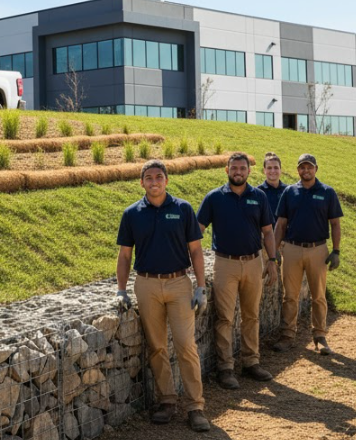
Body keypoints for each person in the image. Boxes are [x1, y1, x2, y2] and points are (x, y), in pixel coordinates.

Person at [114, 159, 210, 432]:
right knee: (156, 346)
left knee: (185, 345)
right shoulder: (132, 213)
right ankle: (167, 401)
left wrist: (200, 287)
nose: (154, 182)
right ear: (141, 182)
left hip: (179, 283)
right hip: (146, 285)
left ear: (166, 180)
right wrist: (121, 290)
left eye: (159, 177)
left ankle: (196, 407)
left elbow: (196, 251)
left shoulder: (182, 209)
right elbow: (124, 255)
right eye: (149, 178)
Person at [197, 152, 279, 390]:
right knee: (225, 318)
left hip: (254, 262)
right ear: (227, 170)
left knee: (251, 315)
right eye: (234, 168)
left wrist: (272, 260)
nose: (238, 172)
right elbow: (197, 230)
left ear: (249, 171)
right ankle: (226, 368)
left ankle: (251, 362)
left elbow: (268, 232)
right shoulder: (214, 198)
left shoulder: (259, 197)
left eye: (242, 168)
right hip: (225, 264)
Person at [272, 154, 343, 355]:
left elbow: (335, 224)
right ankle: (287, 335)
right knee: (289, 296)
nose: (306, 171)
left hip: (318, 250)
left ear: (316, 169)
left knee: (318, 296)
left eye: (309, 167)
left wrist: (336, 250)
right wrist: (274, 251)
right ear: (298, 170)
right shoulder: (289, 192)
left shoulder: (327, 192)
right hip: (291, 249)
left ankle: (320, 336)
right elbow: (280, 224)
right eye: (302, 167)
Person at [258, 152, 288, 226]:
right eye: (269, 168)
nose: (273, 171)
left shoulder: (288, 191)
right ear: (264, 170)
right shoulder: (257, 192)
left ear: (280, 170)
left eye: (276, 167)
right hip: (264, 236)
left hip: (285, 236)